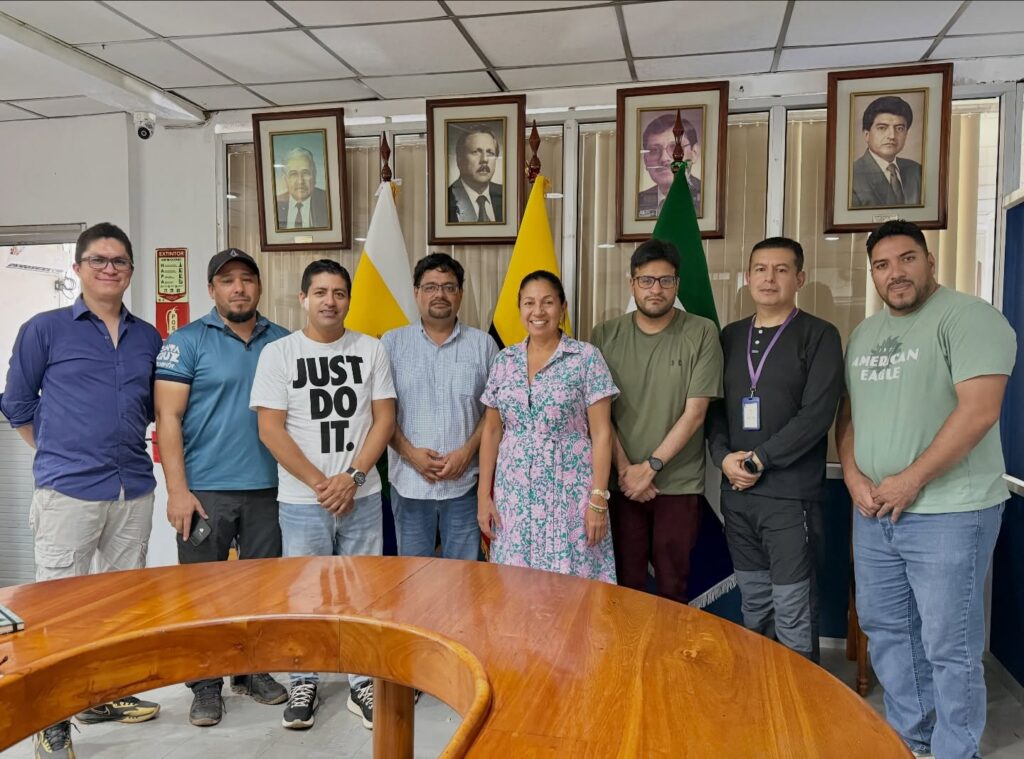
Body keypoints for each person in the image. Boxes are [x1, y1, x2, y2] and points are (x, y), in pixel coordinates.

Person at [837, 219, 1016, 759]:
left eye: (907, 259)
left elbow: (980, 411)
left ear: (930, 261)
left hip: (950, 511)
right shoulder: (864, 334)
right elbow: (850, 415)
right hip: (874, 512)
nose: (895, 273)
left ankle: (956, 751)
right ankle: (914, 742)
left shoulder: (970, 318)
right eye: (882, 265)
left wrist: (910, 479)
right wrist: (853, 475)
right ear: (872, 274)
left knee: (949, 644)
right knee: (887, 630)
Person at [0, 222, 161, 759]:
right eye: (98, 260)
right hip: (67, 492)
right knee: (56, 611)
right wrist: (55, 450)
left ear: (130, 270)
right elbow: (17, 404)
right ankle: (52, 718)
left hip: (132, 489)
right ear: (78, 268)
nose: (109, 268)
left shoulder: (148, 337)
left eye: (119, 261)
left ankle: (102, 696)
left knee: (119, 607)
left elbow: (152, 409)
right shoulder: (44, 330)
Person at [250, 259, 396, 732]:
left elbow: (384, 420)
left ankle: (361, 680)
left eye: (338, 293)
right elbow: (270, 429)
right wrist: (321, 484)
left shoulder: (371, 349)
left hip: (362, 496)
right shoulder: (278, 353)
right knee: (304, 595)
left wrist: (351, 477)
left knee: (363, 593)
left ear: (348, 299)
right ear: (303, 299)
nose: (330, 301)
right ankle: (303, 681)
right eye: (320, 292)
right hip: (301, 502)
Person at [154, 248, 290, 728]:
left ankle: (253, 671)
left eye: (247, 279)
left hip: (270, 489)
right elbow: (167, 418)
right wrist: (177, 491)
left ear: (259, 286)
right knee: (202, 594)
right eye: (227, 280)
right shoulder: (186, 341)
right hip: (205, 492)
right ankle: (205, 684)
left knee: (263, 590)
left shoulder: (283, 341)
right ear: (211, 289)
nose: (238, 288)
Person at [707, 237, 844, 660]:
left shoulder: (819, 335)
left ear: (799, 278)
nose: (769, 278)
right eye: (761, 269)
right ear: (747, 277)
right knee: (755, 604)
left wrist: (760, 459)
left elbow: (817, 415)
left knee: (792, 609)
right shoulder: (730, 336)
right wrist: (723, 458)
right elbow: (714, 408)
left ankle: (798, 698)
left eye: (781, 270)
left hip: (789, 497)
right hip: (738, 495)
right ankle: (761, 693)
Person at [590, 239, 723, 603]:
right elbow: (599, 414)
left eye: (666, 281)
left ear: (677, 284)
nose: (656, 289)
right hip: (621, 484)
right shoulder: (605, 334)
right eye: (646, 280)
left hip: (677, 484)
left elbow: (695, 414)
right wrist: (626, 470)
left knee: (673, 585)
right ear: (632, 284)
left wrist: (650, 468)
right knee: (625, 585)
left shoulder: (701, 332)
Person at [477, 270, 617, 581]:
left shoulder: (585, 358)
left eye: (548, 302)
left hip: (570, 495)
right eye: (529, 303)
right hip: (513, 498)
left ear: (562, 307)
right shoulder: (504, 361)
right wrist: (483, 497)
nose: (538, 311)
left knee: (572, 585)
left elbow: (602, 434)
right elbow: (492, 431)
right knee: (515, 586)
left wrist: (598, 499)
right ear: (520, 309)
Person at [382, 253, 497, 560]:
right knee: (413, 575)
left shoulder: (483, 345)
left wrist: (467, 452)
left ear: (460, 293)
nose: (440, 295)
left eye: (448, 287)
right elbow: (380, 412)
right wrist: (410, 454)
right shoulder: (391, 344)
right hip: (409, 483)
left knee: (463, 576)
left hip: (464, 485)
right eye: (431, 287)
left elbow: (494, 411)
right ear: (416, 292)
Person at [851, 96, 922, 208]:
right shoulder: (852, 175)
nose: (892, 136)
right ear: (866, 135)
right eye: (882, 128)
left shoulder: (917, 170)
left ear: (906, 134)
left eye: (899, 128)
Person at [637, 113, 701, 219]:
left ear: (694, 153)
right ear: (645, 160)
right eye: (654, 150)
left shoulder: (709, 197)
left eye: (675, 148)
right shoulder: (636, 202)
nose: (664, 159)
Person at [447, 124, 504, 224]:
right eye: (476, 152)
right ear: (459, 158)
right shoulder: (446, 199)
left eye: (490, 153)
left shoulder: (505, 195)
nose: (484, 159)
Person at [275, 147, 329, 230]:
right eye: (293, 174)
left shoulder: (328, 201)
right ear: (285, 179)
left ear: (314, 176)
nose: (300, 181)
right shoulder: (276, 203)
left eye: (305, 173)